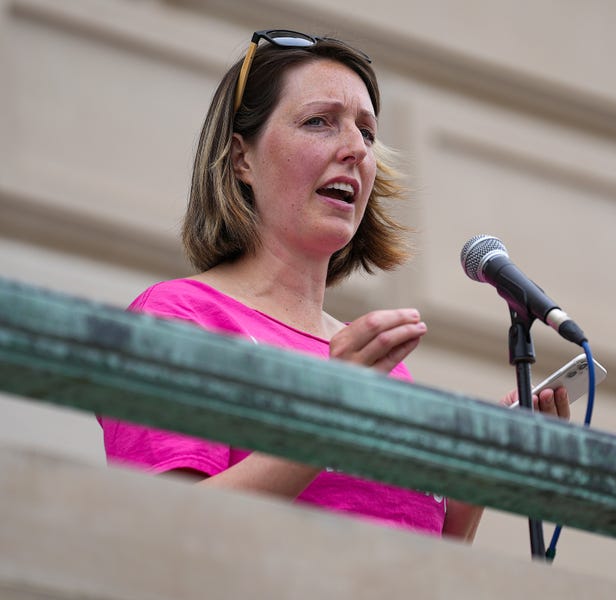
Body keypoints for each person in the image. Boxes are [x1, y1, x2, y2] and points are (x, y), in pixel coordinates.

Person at [98, 29, 569, 541]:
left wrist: (484, 472)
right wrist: (327, 417)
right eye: (319, 122)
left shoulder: (378, 364)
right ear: (241, 159)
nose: (355, 150)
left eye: (366, 132)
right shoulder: (178, 315)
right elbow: (164, 532)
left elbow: (421, 555)